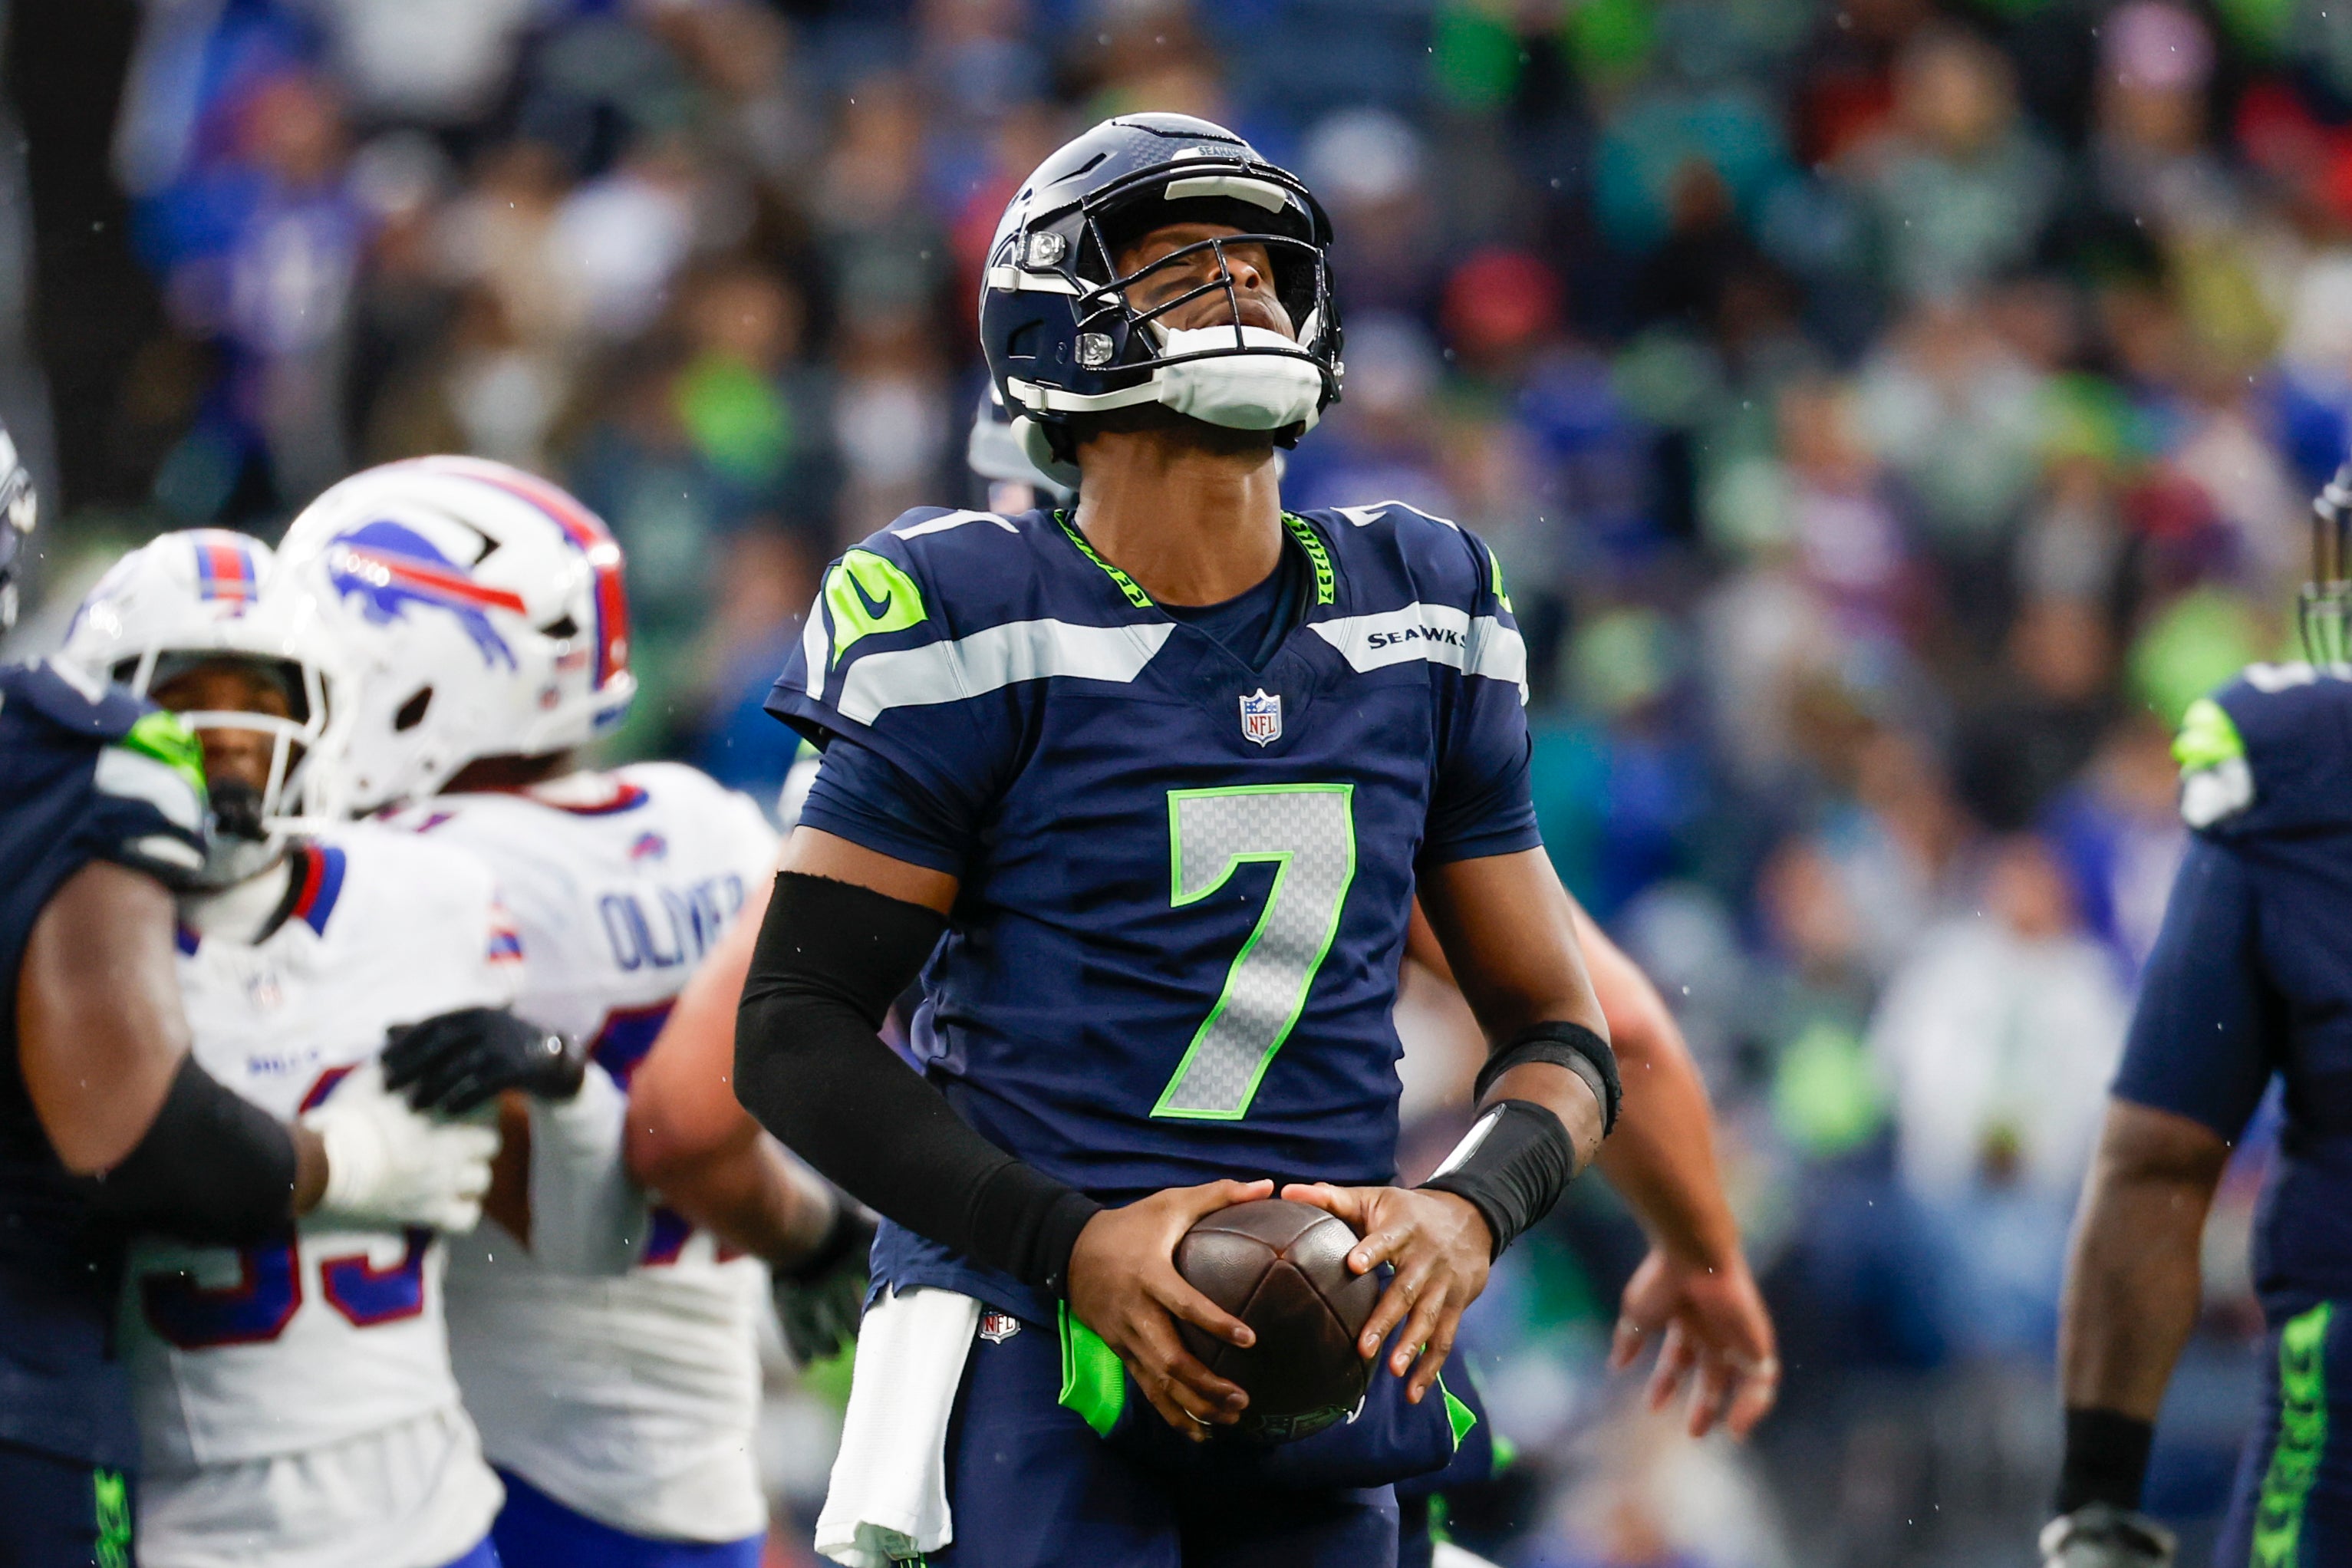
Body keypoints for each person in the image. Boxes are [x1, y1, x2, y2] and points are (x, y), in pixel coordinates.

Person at [733, 114, 1775, 1567]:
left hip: (1327, 1342)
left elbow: (1568, 1033)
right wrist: (1067, 1242)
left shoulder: (1418, 606)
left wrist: (1467, 1213)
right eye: (1177, 262)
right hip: (1030, 1330)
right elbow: (791, 1033)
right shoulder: (965, 611)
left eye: (1258, 264)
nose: (1237, 289)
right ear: (1057, 328)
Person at [271, 455, 865, 1568]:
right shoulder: (706, 821)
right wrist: (811, 1236)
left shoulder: (410, 880)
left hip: (504, 1470)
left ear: (411, 674)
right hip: (698, 1470)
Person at [0, 448, 495, 1566]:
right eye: (187, 697)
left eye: (261, 697)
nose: (227, 738)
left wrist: (548, 1076)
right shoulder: (69, 875)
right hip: (153, 1471)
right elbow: (152, 1150)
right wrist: (358, 1162)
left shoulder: (422, 894)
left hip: (403, 1487)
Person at [2044, 460, 2352, 1568]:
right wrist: (2096, 1500)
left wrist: (2096, 1506)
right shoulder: (2302, 778)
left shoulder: (2300, 775)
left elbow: (2157, 1167)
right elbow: (2159, 1166)